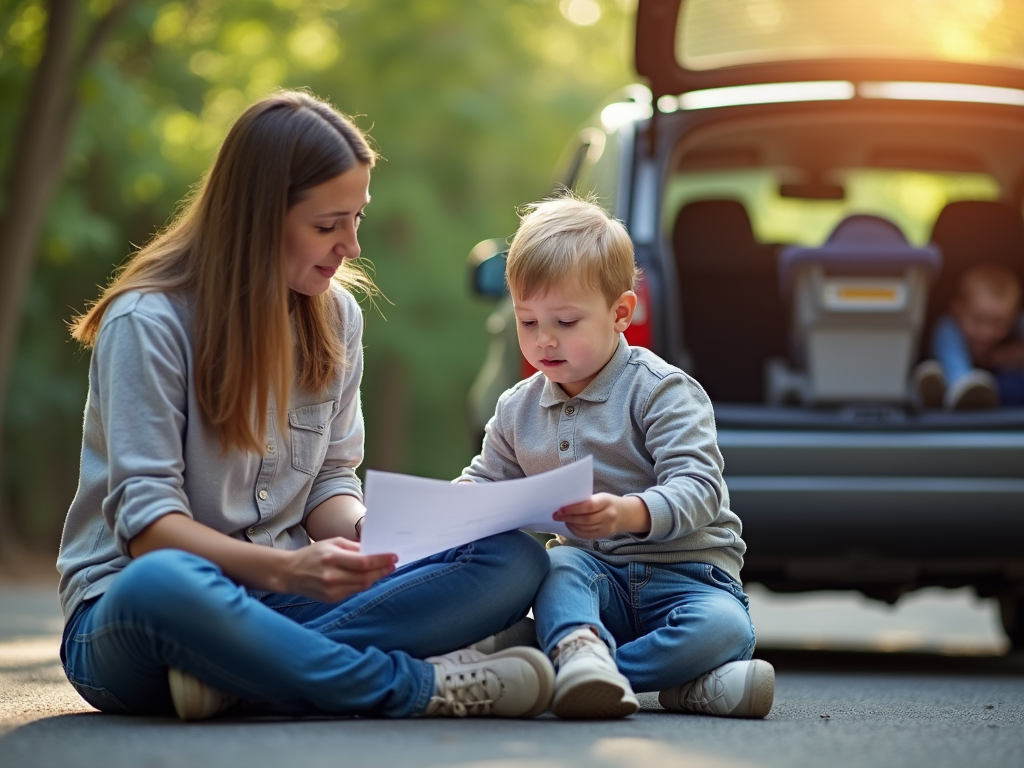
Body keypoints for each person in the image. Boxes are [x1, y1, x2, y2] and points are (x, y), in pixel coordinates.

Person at [56, 90, 555, 722]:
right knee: (162, 586)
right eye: (326, 225)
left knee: (512, 557)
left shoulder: (336, 314)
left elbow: (328, 480)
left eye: (357, 220)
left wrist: (365, 538)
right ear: (258, 217)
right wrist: (290, 571)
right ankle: (414, 686)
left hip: (286, 604)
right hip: (140, 616)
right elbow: (151, 533)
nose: (349, 245)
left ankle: (238, 676)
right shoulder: (148, 323)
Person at [457, 195, 775, 720]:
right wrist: (453, 504)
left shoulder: (661, 391)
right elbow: (485, 480)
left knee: (725, 628)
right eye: (528, 321)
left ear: (621, 313)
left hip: (688, 577)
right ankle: (675, 682)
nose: (545, 340)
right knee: (557, 564)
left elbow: (699, 485)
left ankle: (580, 672)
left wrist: (628, 512)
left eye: (565, 320)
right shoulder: (518, 406)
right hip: (592, 580)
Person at [914, 263, 1024, 409]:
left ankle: (954, 396)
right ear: (958, 310)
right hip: (953, 374)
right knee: (945, 345)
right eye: (978, 320)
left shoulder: (1017, 325)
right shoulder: (949, 327)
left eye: (998, 323)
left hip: (996, 382)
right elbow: (951, 355)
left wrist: (1012, 355)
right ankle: (956, 387)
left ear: (1014, 317)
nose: (987, 331)